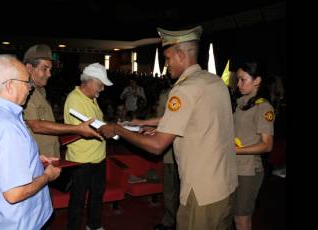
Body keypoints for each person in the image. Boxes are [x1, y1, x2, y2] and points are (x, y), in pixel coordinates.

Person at [99, 25, 238, 230]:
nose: (166, 65)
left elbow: (157, 146)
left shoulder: (183, 89)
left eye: (168, 58)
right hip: (226, 185)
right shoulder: (214, 82)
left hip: (200, 192)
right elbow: (193, 119)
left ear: (181, 54)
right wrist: (144, 123)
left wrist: (119, 130)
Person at [0, 54, 62, 229]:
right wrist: (47, 176)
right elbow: (15, 193)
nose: (29, 89)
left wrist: (34, 159)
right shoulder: (6, 126)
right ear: (10, 85)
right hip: (19, 221)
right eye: (27, 83)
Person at [23, 44, 102, 161]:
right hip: (37, 160)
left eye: (50, 69)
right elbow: (36, 125)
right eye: (45, 69)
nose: (49, 74)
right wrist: (77, 129)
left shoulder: (40, 90)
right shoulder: (24, 92)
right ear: (29, 68)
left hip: (48, 157)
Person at [63, 63, 113, 230]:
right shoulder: (74, 99)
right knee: (77, 200)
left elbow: (98, 123)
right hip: (81, 161)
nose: (102, 89)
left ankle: (94, 224)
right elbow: (86, 130)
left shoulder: (92, 98)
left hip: (98, 157)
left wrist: (112, 127)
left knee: (97, 196)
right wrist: (111, 130)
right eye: (100, 84)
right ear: (90, 81)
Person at [131, 82, 180, 230]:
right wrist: (149, 127)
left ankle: (175, 222)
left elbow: (169, 121)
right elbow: (162, 120)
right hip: (168, 147)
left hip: (174, 149)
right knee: (170, 190)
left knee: (175, 190)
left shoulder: (177, 95)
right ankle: (170, 221)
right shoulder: (168, 94)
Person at [233, 61, 274, 230]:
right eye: (238, 79)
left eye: (243, 79)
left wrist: (236, 150)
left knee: (241, 219)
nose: (238, 84)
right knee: (235, 216)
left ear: (257, 81)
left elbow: (267, 145)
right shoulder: (241, 103)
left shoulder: (263, 108)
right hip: (235, 166)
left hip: (249, 170)